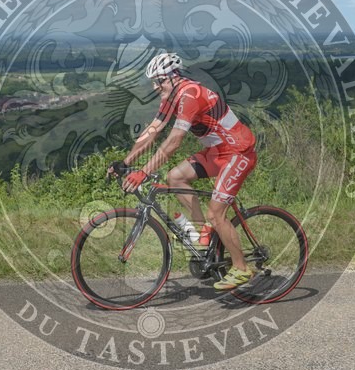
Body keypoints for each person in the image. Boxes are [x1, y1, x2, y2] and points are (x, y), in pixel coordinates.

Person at [107, 52, 257, 291]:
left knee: (216, 214)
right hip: (217, 152)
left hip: (238, 152)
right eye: (153, 82)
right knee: (175, 177)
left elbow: (174, 141)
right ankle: (204, 237)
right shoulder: (171, 95)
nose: (155, 87)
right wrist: (125, 162)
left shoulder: (190, 95)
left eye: (159, 81)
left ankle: (241, 268)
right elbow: (153, 131)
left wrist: (143, 172)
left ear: (174, 76)